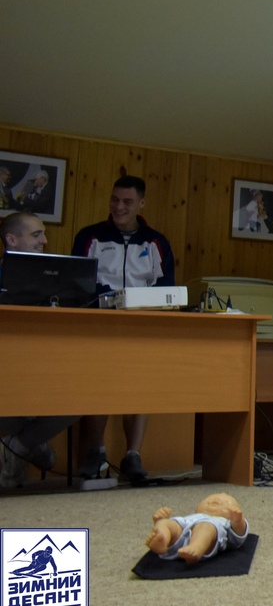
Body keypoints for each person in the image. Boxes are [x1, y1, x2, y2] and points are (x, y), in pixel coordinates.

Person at [71, 174, 176, 483]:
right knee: (98, 386)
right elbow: (78, 281)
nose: (119, 207)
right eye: (115, 200)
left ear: (141, 204)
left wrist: (140, 304)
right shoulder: (90, 236)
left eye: (127, 202)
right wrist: (110, 298)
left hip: (141, 327)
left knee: (138, 389)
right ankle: (96, 452)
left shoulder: (156, 242)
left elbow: (166, 288)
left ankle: (133, 456)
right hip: (98, 325)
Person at [1, 211, 79, 489]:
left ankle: (21, 445)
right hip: (8, 365)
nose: (45, 241)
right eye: (36, 235)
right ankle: (28, 446)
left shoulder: (56, 278)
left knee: (85, 396)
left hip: (47, 364)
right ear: (12, 239)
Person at [146, 492, 249, 565]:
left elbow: (239, 538)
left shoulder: (223, 522)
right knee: (168, 523)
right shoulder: (189, 518)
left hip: (208, 537)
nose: (216, 499)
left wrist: (238, 521)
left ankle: (196, 548)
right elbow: (174, 524)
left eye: (226, 502)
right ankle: (163, 539)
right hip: (184, 527)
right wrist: (160, 520)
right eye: (209, 498)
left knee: (205, 527)